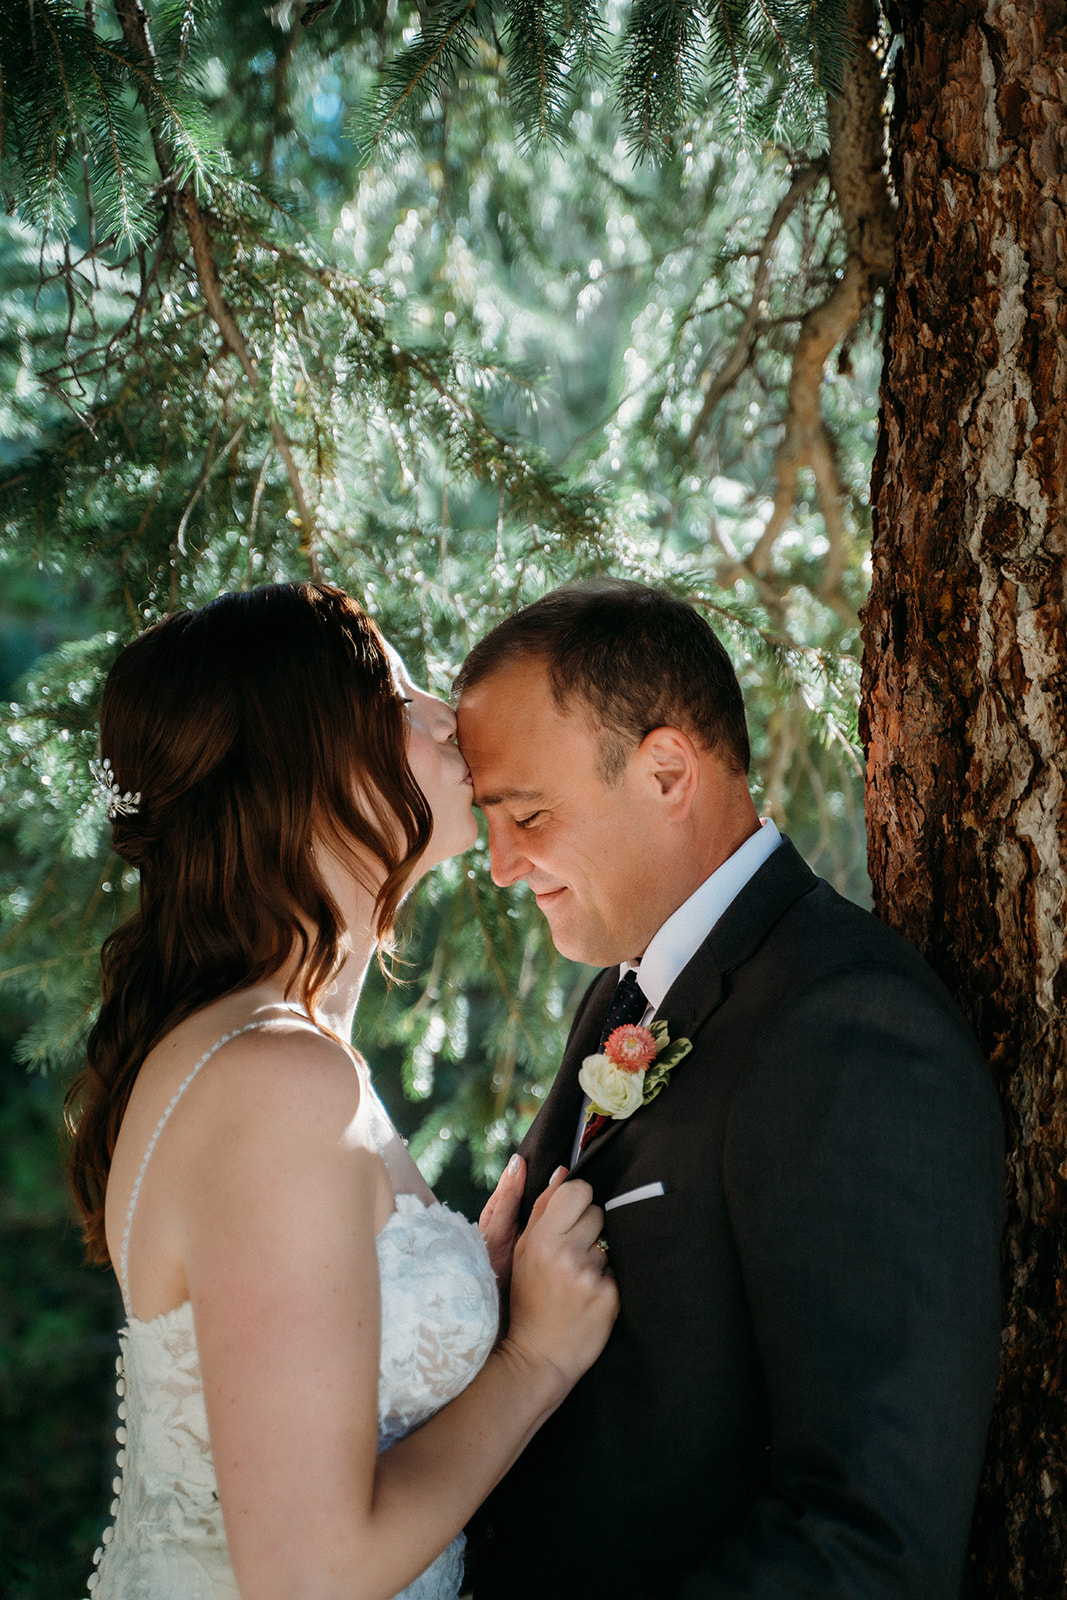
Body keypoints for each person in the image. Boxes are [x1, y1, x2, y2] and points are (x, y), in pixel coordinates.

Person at [454, 578, 1005, 1600]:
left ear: (666, 771)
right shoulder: (623, 993)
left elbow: (866, 1541)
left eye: (526, 814)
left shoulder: (845, 1032)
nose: (496, 863)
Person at [66, 581, 617, 1600]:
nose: (448, 718)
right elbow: (309, 1572)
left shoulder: (272, 1051)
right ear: (303, 763)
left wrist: (478, 1288)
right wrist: (532, 1359)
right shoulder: (275, 1078)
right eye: (398, 698)